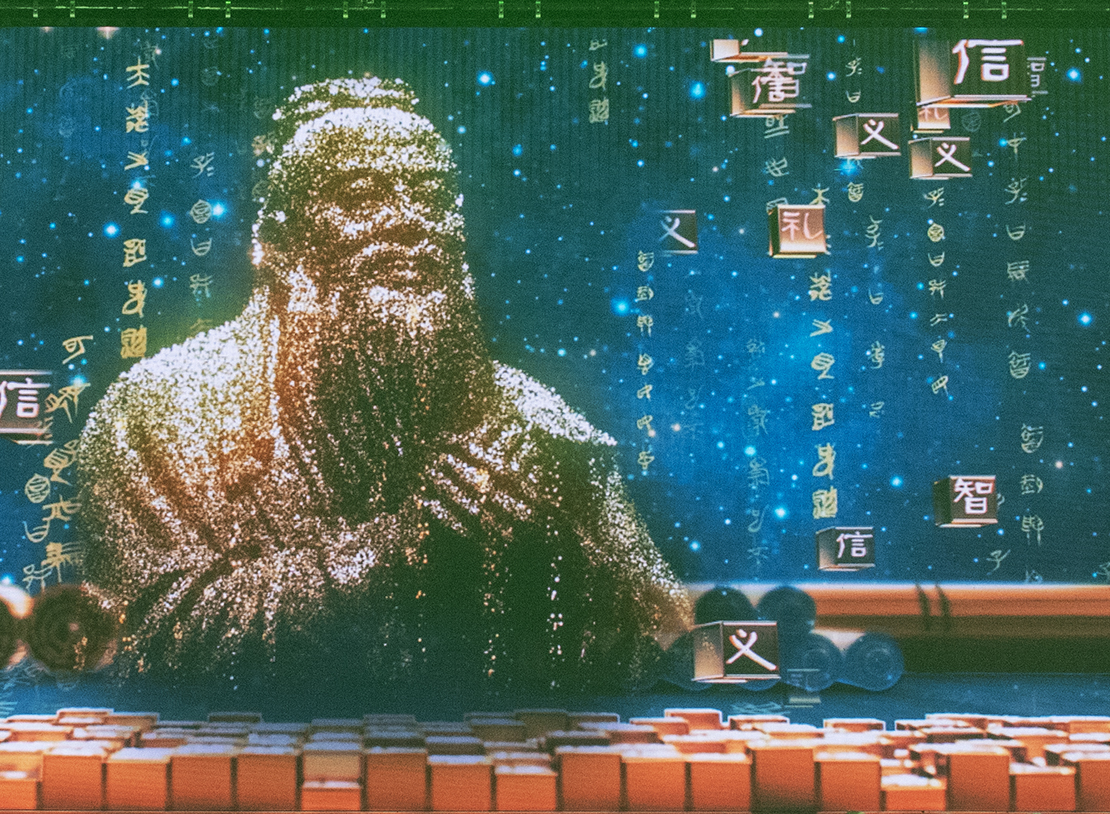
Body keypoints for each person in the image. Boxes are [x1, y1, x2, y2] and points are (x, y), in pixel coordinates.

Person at [66, 76, 692, 689]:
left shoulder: (532, 424)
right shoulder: (160, 412)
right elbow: (139, 637)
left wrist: (551, 565)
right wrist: (391, 556)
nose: (410, 222)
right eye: (363, 198)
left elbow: (667, 628)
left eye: (432, 196)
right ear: (278, 243)